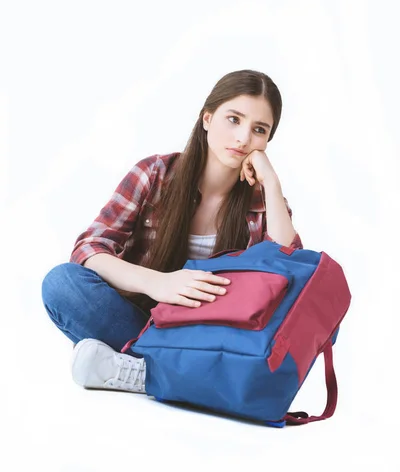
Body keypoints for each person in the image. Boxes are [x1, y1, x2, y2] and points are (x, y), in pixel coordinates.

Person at [41, 69, 303, 395]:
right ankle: (174, 375)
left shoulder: (263, 203)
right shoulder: (156, 173)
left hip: (209, 340)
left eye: (259, 130)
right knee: (61, 284)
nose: (243, 138)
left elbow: (292, 276)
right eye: (233, 119)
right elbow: (90, 249)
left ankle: (142, 371)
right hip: (141, 323)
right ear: (207, 118)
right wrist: (159, 283)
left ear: (267, 141)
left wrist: (272, 184)